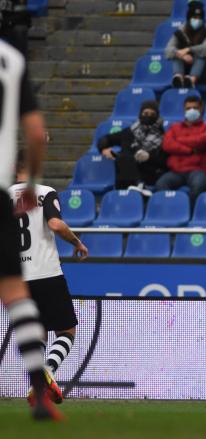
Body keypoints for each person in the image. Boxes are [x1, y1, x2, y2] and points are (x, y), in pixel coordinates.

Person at [0, 38, 61, 420]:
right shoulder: (11, 58)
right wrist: (33, 182)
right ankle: (39, 394)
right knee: (14, 293)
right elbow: (36, 134)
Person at [9, 153, 89, 406]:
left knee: (39, 331)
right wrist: (76, 242)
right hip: (46, 273)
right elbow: (55, 224)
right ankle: (48, 370)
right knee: (66, 330)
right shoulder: (44, 192)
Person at [96, 100, 167, 193]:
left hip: (147, 174)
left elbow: (163, 160)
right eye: (145, 113)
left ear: (157, 116)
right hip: (125, 176)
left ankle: (139, 186)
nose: (148, 116)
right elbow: (106, 139)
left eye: (152, 114)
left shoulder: (163, 137)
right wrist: (104, 149)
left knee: (124, 158)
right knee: (124, 158)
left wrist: (149, 156)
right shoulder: (129, 132)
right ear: (140, 114)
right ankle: (133, 187)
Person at [155, 95, 206, 203]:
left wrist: (178, 140)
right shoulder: (175, 127)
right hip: (177, 171)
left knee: (199, 185)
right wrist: (190, 150)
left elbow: (202, 141)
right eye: (188, 108)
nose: (191, 110)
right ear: (184, 110)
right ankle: (171, 212)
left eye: (195, 108)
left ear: (201, 109)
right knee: (160, 184)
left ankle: (188, 213)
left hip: (199, 170)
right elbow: (167, 144)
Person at [165, 0, 206, 88]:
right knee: (176, 53)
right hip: (185, 69)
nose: (197, 20)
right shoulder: (180, 32)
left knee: (201, 54)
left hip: (203, 72)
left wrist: (189, 49)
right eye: (194, 17)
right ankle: (178, 78)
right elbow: (168, 50)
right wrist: (182, 55)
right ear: (189, 18)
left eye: (200, 18)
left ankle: (192, 80)